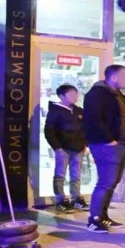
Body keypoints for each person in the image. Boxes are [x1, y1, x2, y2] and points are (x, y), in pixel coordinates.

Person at [83, 65, 125, 233]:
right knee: (106, 182)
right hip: (107, 145)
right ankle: (94, 219)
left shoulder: (120, 95)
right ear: (114, 77)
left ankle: (103, 215)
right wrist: (109, 140)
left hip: (123, 144)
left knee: (113, 182)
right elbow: (93, 120)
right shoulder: (97, 94)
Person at [44, 84, 88, 213]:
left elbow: (86, 128)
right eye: (71, 94)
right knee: (60, 175)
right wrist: (57, 147)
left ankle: (76, 198)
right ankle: (60, 200)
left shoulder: (79, 111)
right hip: (63, 148)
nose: (75, 96)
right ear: (62, 96)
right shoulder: (55, 110)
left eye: (76, 94)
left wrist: (85, 143)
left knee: (76, 175)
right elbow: (49, 131)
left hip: (79, 148)